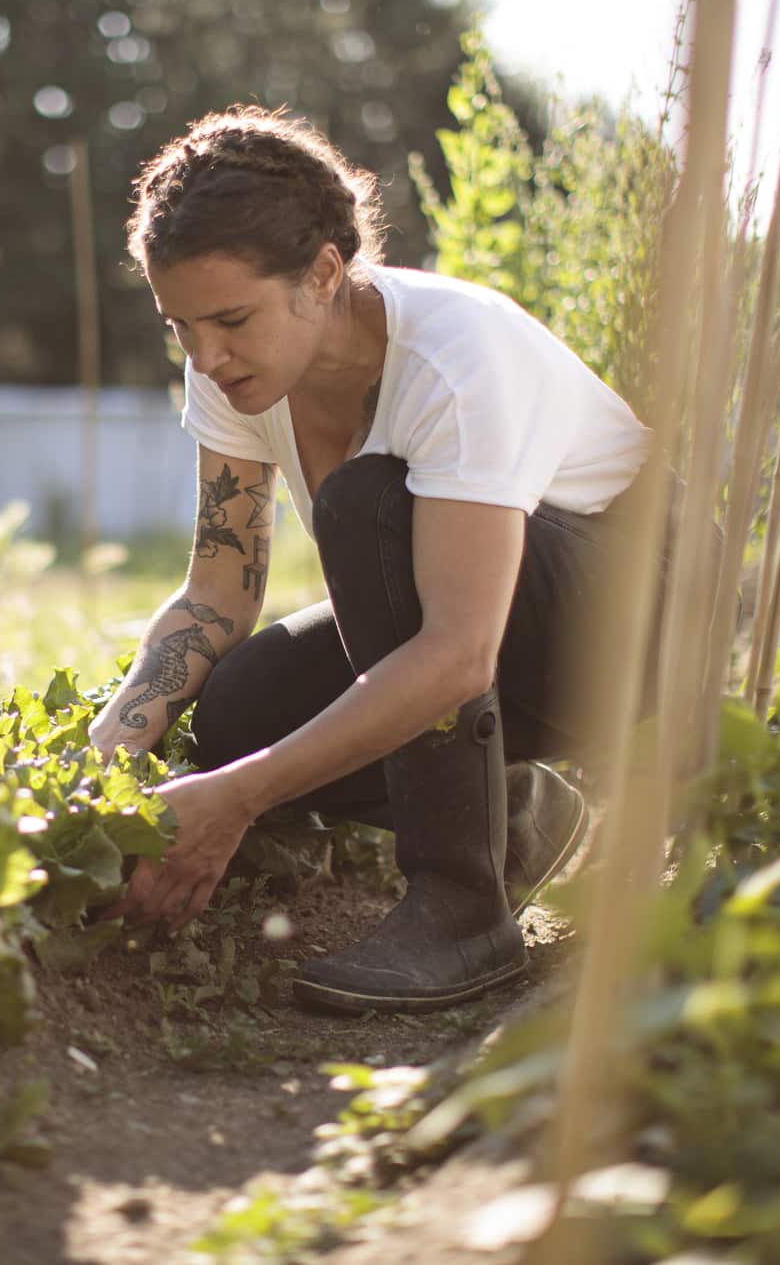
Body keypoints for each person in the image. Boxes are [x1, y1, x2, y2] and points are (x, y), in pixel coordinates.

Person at [87, 105, 659, 1014]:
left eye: (229, 319)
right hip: (492, 635)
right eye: (180, 326)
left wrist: (233, 802)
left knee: (365, 505)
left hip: (635, 622)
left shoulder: (455, 356)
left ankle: (462, 908)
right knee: (237, 710)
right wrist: (110, 749)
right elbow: (215, 592)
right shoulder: (234, 376)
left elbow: (459, 653)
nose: (205, 356)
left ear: (321, 274)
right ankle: (515, 815)